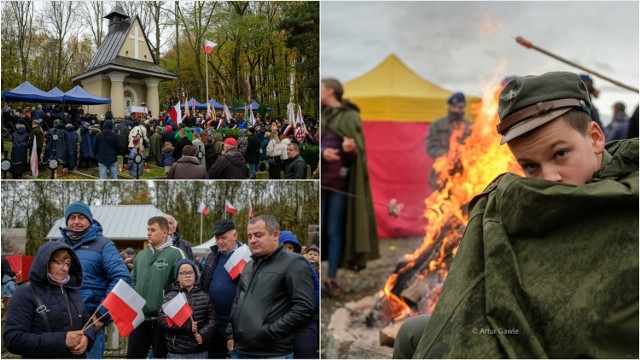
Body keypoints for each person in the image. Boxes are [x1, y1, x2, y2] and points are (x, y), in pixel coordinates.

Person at [399, 71, 638, 358]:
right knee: (412, 333)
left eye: (560, 154)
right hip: (524, 328)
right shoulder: (524, 204)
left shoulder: (626, 198)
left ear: (596, 138)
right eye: (530, 167)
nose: (549, 178)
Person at [226, 215, 315, 358]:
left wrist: (268, 332)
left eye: (258, 235)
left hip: (271, 353)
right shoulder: (249, 266)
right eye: (249, 236)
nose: (252, 240)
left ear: (275, 235)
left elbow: (304, 307)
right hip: (241, 350)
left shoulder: (294, 263)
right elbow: (237, 301)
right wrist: (231, 333)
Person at [320, 78, 378, 298]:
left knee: (334, 230)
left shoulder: (351, 116)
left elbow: (357, 154)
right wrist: (322, 152)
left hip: (339, 183)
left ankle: (331, 278)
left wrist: (350, 149)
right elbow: (313, 143)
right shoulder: (321, 114)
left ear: (331, 91)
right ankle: (313, 274)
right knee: (319, 230)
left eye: (321, 88)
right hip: (320, 181)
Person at [56, 200, 132, 359]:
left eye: (81, 217)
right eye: (72, 217)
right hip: (59, 323)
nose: (76, 221)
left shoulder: (104, 245)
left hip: (89, 323)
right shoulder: (58, 245)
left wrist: (101, 315)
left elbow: (123, 279)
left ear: (89, 220)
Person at [3, 241, 96, 358]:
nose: (65, 269)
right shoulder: (24, 293)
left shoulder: (72, 290)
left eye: (68, 264)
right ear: (45, 262)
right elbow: (13, 339)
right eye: (59, 262)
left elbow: (88, 322)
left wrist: (87, 337)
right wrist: (62, 341)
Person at [127, 216, 186, 359]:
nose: (148, 233)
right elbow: (133, 281)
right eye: (148, 229)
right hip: (140, 320)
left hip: (162, 321)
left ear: (165, 232)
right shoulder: (141, 255)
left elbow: (184, 286)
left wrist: (166, 307)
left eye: (153, 230)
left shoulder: (176, 254)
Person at [200, 219, 243, 359]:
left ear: (235, 235)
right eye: (217, 238)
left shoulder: (247, 256)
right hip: (214, 322)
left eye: (223, 237)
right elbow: (203, 283)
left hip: (238, 324)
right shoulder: (213, 256)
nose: (220, 242)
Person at [158, 259, 217, 359]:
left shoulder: (205, 296)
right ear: (177, 277)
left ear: (195, 275)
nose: (187, 275)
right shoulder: (170, 297)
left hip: (200, 351)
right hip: (177, 351)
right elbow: (162, 321)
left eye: (190, 272)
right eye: (183, 273)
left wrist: (202, 334)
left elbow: (213, 320)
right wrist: (187, 326)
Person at [278, 231, 320, 360]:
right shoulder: (273, 266)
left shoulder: (303, 264)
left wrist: (312, 308)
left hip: (304, 322)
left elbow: (317, 288)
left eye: (290, 248)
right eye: (284, 247)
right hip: (280, 323)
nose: (287, 251)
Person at [426, 92, 472, 190]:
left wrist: (462, 156)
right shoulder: (438, 125)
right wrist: (448, 156)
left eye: (460, 107)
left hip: (462, 174)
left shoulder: (469, 126)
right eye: (454, 107)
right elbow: (431, 147)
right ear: (450, 106)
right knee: (439, 202)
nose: (457, 110)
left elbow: (475, 148)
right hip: (441, 174)